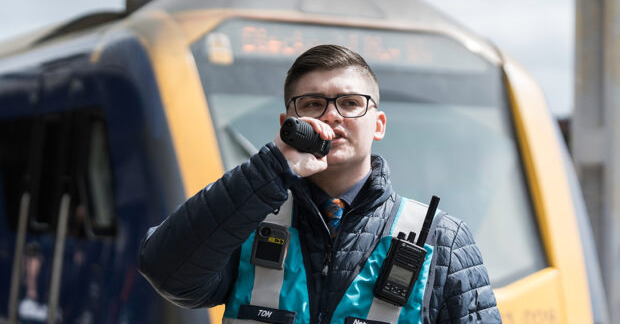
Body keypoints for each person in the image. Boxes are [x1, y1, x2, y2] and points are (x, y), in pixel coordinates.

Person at [137, 45, 502, 323]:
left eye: (350, 103)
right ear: (287, 121)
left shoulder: (443, 240)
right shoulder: (247, 221)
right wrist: (272, 167)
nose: (331, 115)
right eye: (312, 104)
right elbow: (166, 271)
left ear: (378, 124)